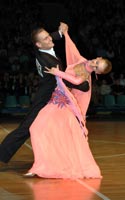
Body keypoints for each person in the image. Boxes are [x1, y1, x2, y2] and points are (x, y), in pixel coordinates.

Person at [24, 31, 112, 179]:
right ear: (98, 58)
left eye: (97, 67)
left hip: (63, 107)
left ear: (97, 72)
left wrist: (57, 73)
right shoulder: (81, 60)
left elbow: (76, 81)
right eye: (97, 62)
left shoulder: (86, 76)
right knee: (38, 130)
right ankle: (41, 165)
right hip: (54, 101)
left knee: (39, 130)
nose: (94, 64)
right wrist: (65, 33)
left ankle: (40, 167)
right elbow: (72, 49)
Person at [0, 22, 89, 166]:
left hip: (53, 99)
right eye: (46, 39)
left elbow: (48, 38)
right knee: (25, 129)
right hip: (44, 100)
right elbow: (64, 79)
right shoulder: (48, 62)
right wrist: (83, 85)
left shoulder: (40, 49)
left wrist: (60, 32)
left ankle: (55, 158)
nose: (50, 39)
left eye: (49, 36)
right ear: (39, 45)